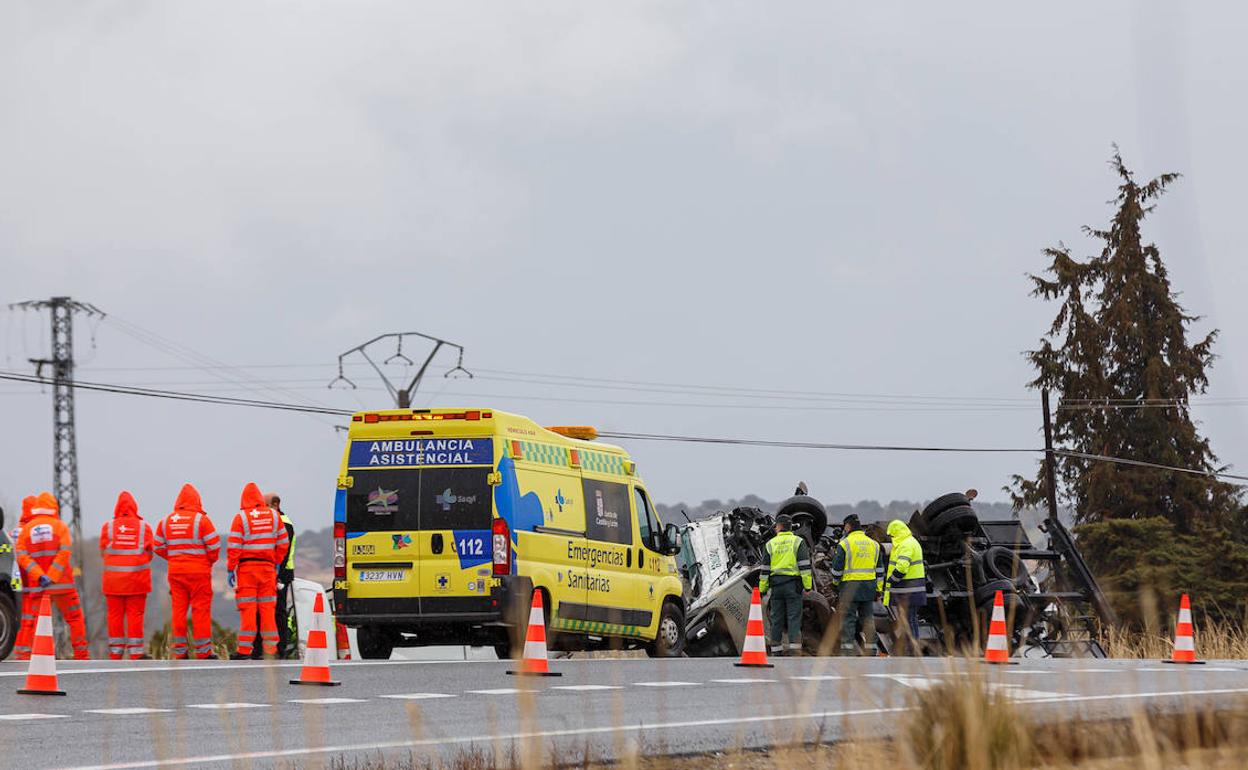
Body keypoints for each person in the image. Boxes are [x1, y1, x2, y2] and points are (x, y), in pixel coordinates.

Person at [14, 492, 89, 659]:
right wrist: (52, 575)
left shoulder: (26, 530)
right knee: (75, 618)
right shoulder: (60, 526)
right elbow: (64, 552)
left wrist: (40, 576)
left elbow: (22, 556)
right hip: (63, 586)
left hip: (39, 586)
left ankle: (28, 657)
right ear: (53, 507)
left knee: (34, 622)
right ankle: (81, 655)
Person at [155, 484, 221, 660]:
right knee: (201, 610)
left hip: (176, 572)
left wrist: (174, 558)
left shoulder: (166, 521)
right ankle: (203, 651)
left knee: (178, 610)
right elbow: (214, 546)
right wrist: (208, 561)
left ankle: (179, 651)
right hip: (199, 572)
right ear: (197, 501)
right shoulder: (201, 520)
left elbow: (157, 546)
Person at [228, 483, 289, 659]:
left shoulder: (241, 517)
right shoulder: (273, 516)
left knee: (248, 610)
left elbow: (234, 546)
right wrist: (276, 562)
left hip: (247, 569)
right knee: (268, 610)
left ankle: (244, 650)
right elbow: (283, 542)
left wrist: (231, 568)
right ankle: (270, 650)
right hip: (268, 569)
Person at [99, 491, 155, 660]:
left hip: (113, 581)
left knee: (114, 615)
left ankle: (115, 652)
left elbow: (103, 551)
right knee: (135, 614)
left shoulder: (107, 527)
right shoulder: (144, 527)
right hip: (136, 580)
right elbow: (150, 552)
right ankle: (136, 652)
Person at [758, 513, 812, 656]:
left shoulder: (770, 544)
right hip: (793, 586)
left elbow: (764, 570)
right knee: (793, 617)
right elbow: (805, 567)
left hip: (776, 587)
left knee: (777, 618)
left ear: (779, 527)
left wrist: (762, 589)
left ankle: (776, 650)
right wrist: (808, 587)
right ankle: (794, 650)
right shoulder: (798, 542)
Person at [829, 514, 883, 656]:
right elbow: (880, 571)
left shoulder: (845, 544)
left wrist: (835, 584)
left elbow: (836, 570)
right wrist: (878, 590)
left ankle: (847, 650)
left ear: (848, 526)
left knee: (848, 619)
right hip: (868, 588)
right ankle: (871, 649)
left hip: (849, 588)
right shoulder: (874, 545)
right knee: (868, 618)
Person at [250, 493, 296, 659]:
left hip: (281, 574)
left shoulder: (284, 523)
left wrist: (277, 575)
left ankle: (279, 649)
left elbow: (282, 552)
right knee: (262, 611)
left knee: (278, 612)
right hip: (270, 572)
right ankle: (261, 649)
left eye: (265, 505)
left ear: (275, 505)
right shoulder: (271, 521)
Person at [883, 519, 927, 656]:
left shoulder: (905, 545)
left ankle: (912, 649)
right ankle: (912, 648)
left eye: (892, 536)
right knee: (910, 619)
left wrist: (892, 580)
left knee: (909, 620)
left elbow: (902, 566)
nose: (891, 539)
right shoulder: (912, 542)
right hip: (913, 590)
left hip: (907, 591)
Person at [10, 496, 40, 661]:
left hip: (15, 578)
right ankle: (27, 651)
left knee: (20, 616)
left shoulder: (14, 531)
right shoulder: (31, 530)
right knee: (30, 615)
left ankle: (20, 650)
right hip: (29, 579)